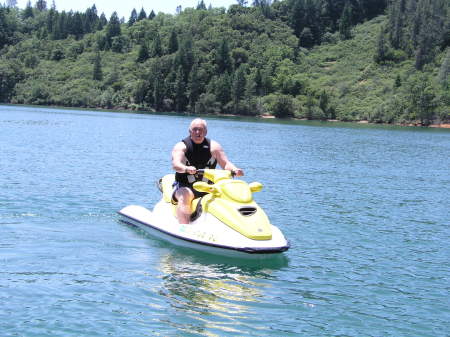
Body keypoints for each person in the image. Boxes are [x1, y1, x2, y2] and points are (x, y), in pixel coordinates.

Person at [171, 118, 244, 225]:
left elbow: (226, 164)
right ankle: (184, 228)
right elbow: (176, 164)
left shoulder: (214, 147)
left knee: (230, 195)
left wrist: (234, 170)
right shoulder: (181, 146)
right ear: (190, 131)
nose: (197, 132)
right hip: (185, 186)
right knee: (185, 195)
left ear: (206, 131)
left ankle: (236, 226)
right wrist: (186, 168)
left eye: (201, 129)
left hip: (208, 188)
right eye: (195, 129)